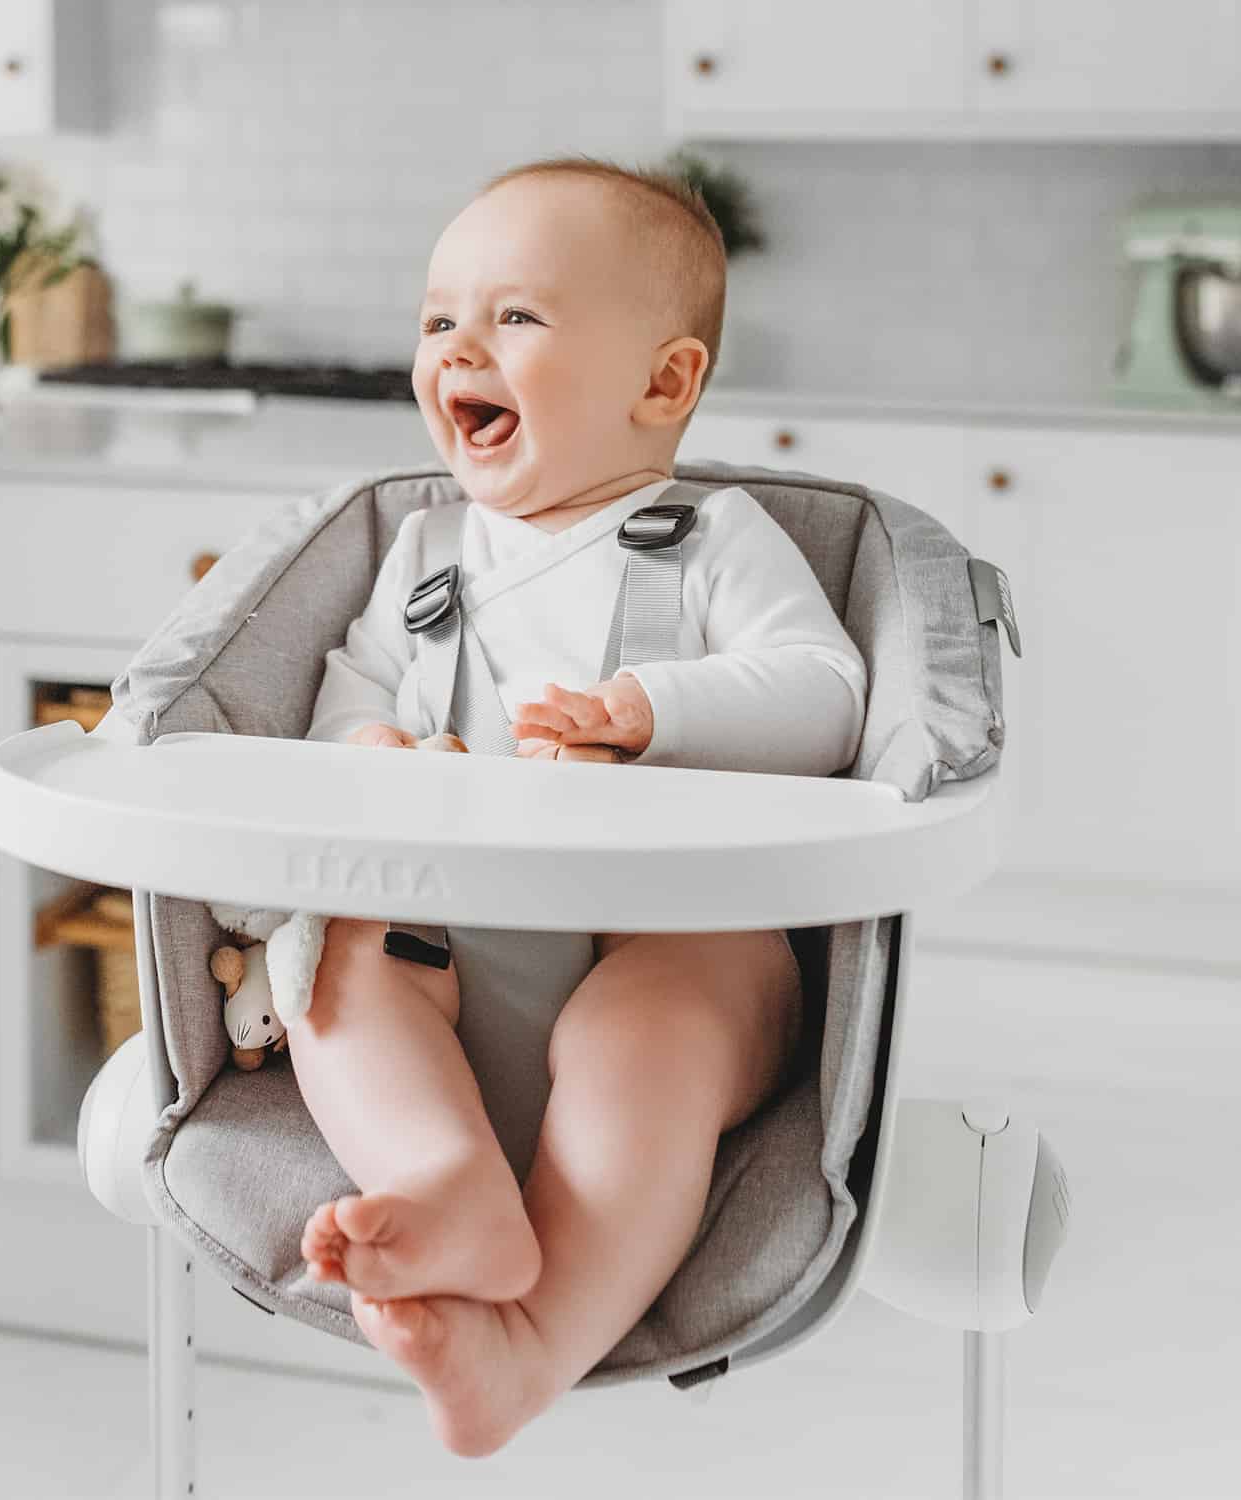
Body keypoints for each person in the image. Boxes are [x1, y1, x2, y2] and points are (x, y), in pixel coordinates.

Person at [288, 155, 869, 1458]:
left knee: (649, 1030)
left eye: (515, 318)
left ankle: (530, 1346)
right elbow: (341, 707)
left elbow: (827, 694)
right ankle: (444, 1179)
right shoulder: (424, 551)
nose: (458, 348)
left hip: (672, 941)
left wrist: (650, 712)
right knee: (329, 969)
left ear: (662, 384)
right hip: (458, 942)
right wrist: (377, 749)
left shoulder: (714, 537)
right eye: (440, 319)